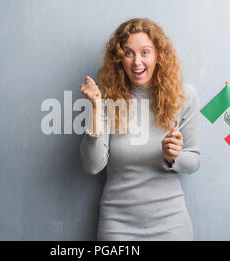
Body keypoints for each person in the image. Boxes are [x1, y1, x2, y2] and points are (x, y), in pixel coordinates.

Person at [79, 18, 200, 241]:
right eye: (128, 53)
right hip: (118, 226)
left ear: (158, 55)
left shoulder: (184, 97)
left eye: (145, 52)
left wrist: (173, 157)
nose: (137, 62)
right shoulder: (106, 99)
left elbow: (193, 160)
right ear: (118, 59)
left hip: (171, 224)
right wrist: (96, 108)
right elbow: (92, 165)